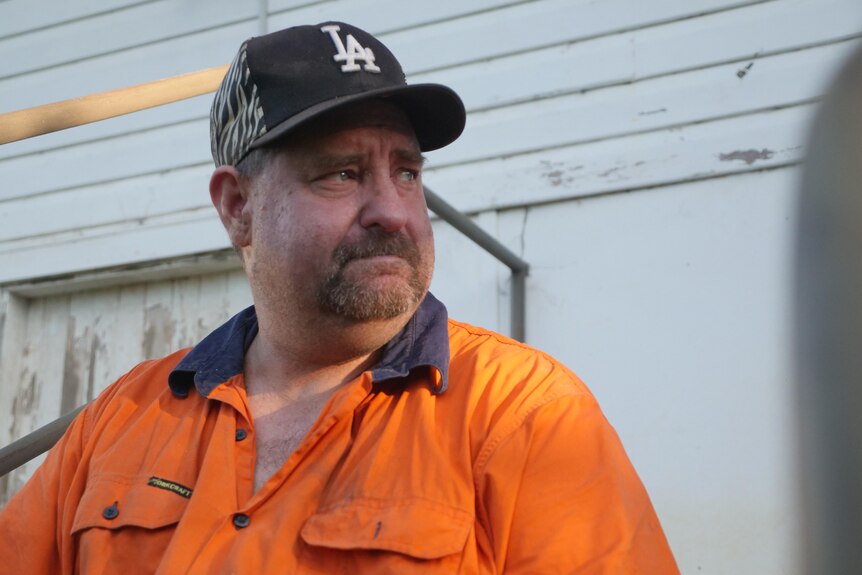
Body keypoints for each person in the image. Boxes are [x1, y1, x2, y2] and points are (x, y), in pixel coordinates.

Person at [0, 22, 678, 573]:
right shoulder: (121, 420)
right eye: (342, 173)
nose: (393, 210)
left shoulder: (522, 417)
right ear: (238, 207)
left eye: (406, 171)